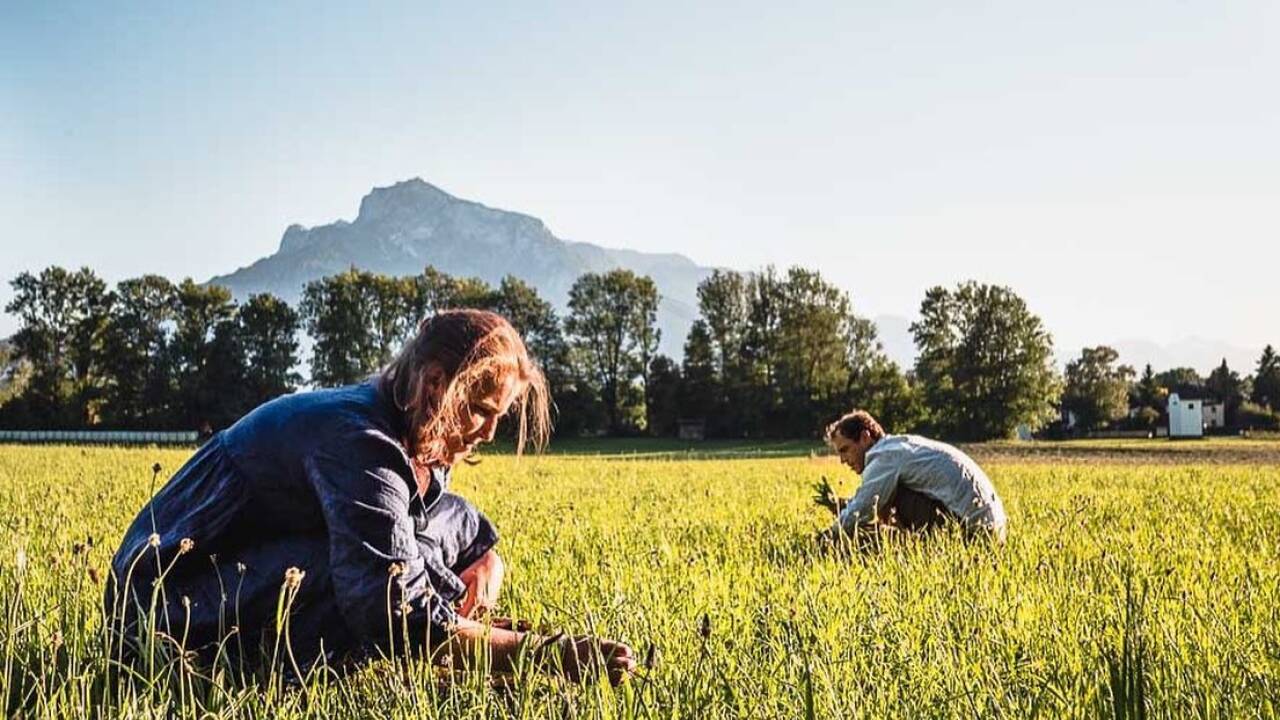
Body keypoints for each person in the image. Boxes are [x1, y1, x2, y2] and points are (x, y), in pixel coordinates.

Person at [106, 309, 634, 684]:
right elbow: (392, 607)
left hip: (227, 581)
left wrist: (484, 559)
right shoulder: (359, 443)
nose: (489, 432)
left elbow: (445, 518)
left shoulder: (402, 429)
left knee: (409, 546)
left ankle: (460, 645)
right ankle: (450, 655)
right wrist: (544, 656)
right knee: (375, 577)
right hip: (162, 612)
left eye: (502, 415)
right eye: (479, 409)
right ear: (435, 385)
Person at [817, 410, 1007, 544]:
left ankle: (920, 546)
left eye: (845, 450)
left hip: (974, 534)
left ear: (865, 437)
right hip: (992, 530)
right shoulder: (898, 448)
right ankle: (912, 543)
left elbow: (863, 508)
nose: (843, 460)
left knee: (892, 496)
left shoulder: (885, 457)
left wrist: (828, 536)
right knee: (884, 498)